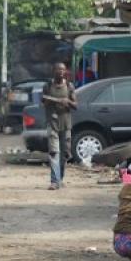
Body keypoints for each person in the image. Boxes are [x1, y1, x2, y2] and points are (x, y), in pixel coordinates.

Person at [42, 62, 77, 190]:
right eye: (58, 69)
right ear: (53, 71)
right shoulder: (47, 86)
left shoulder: (69, 86)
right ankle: (54, 181)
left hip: (66, 124)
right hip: (52, 124)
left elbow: (75, 105)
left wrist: (67, 101)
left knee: (65, 153)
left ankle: (60, 178)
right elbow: (44, 101)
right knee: (54, 152)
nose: (60, 72)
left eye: (62, 70)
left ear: (65, 71)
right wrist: (52, 100)